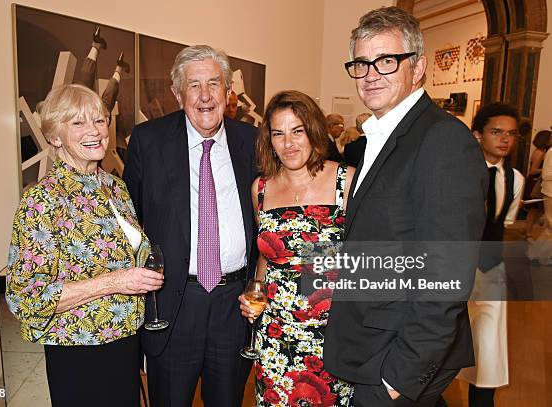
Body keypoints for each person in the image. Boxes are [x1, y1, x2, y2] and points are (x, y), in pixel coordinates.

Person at [324, 7, 487, 407]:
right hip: (374, 344)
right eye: (361, 63)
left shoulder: (443, 141)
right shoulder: (378, 137)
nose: (371, 74)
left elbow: (447, 274)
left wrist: (400, 378)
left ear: (418, 67)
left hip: (399, 358)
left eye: (386, 61)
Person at [5, 84, 164, 406]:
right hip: (78, 348)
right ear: (55, 137)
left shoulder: (114, 186)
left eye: (99, 120)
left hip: (124, 341)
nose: (95, 131)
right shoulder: (43, 199)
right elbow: (25, 297)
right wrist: (114, 282)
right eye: (78, 123)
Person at [123, 45, 258, 407]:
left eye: (214, 83)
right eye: (193, 85)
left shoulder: (253, 142)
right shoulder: (147, 141)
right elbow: (129, 222)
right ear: (177, 93)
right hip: (173, 306)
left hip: (235, 305)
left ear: (228, 91)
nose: (204, 96)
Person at [239, 90, 356, 406]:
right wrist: (256, 293)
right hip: (276, 333)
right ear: (270, 140)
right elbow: (267, 252)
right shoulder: (261, 188)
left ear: (314, 132)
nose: (288, 143)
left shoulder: (345, 181)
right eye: (279, 133)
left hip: (331, 336)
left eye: (297, 131)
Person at [457, 103, 524, 407]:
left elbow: (505, 222)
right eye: (496, 132)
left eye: (511, 134)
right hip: (453, 269)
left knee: (489, 350)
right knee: (442, 343)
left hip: (490, 270)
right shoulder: (457, 174)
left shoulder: (515, 179)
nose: (505, 139)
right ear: (478, 135)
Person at [524, 130, 551, 239]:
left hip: (539, 182)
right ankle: (528, 233)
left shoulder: (544, 151)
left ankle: (527, 231)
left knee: (538, 210)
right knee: (533, 210)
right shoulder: (540, 152)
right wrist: (543, 169)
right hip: (535, 181)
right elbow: (533, 170)